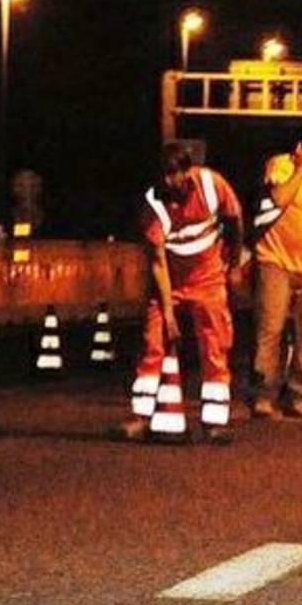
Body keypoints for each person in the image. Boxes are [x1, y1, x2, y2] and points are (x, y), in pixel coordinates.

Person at [120, 143, 244, 443]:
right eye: (164, 175)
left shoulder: (212, 185)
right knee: (153, 344)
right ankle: (140, 417)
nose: (168, 182)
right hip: (171, 283)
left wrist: (235, 264)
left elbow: (235, 221)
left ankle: (214, 422)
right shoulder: (154, 205)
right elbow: (159, 264)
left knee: (215, 346)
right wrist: (168, 311)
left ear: (187, 171)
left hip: (209, 279)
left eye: (174, 174)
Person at [249, 127, 302, 419]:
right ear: (300, 144)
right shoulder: (281, 165)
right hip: (275, 261)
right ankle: (263, 395)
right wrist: (300, 167)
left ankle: (296, 393)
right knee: (270, 329)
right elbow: (280, 199)